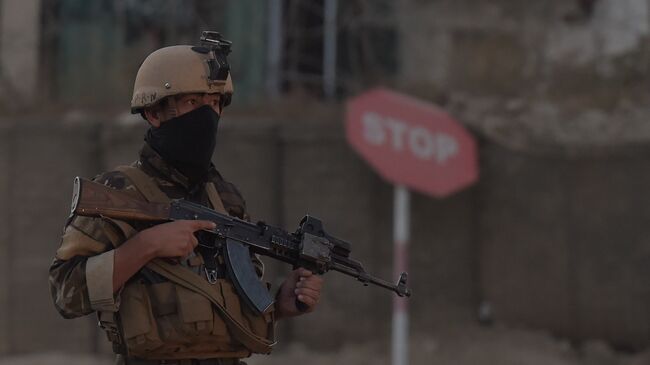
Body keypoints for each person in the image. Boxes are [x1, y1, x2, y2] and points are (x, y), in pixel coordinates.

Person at [48, 32, 323, 365]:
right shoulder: (119, 192)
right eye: (193, 103)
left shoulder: (225, 198)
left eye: (214, 104)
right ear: (154, 113)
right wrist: (146, 246)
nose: (207, 117)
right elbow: (66, 293)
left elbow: (225, 303)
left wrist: (279, 305)